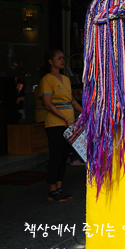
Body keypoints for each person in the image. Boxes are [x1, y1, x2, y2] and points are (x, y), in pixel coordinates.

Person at [40, 49, 83, 202]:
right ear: (51, 61)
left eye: (63, 58)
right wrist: (65, 118)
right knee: (56, 156)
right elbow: (47, 104)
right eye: (59, 58)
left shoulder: (65, 79)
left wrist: (85, 113)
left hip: (69, 124)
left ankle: (58, 187)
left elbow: (72, 101)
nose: (62, 60)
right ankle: (52, 190)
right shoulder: (47, 79)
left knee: (65, 156)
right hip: (55, 124)